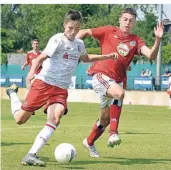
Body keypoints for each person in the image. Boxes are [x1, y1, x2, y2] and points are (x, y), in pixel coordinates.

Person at [6, 10, 117, 167]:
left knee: (56, 118)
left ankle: (31, 154)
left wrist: (106, 56)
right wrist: (31, 73)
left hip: (60, 89)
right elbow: (40, 58)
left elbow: (85, 58)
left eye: (77, 28)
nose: (73, 32)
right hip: (44, 84)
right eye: (70, 27)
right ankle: (12, 94)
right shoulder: (57, 40)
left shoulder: (79, 44)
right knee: (20, 119)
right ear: (65, 25)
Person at [76, 7, 164, 158]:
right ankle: (113, 134)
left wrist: (157, 40)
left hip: (117, 80)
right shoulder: (109, 31)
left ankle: (89, 142)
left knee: (104, 120)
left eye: (131, 20)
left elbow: (150, 55)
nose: (127, 23)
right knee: (119, 93)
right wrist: (73, 46)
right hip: (101, 75)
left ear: (134, 23)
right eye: (125, 19)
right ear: (120, 20)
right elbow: (84, 32)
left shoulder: (136, 40)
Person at [21, 39, 42, 115]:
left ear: (38, 45)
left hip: (38, 74)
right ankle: (30, 108)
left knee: (34, 91)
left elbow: (44, 63)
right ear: (32, 45)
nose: (36, 45)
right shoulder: (29, 53)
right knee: (29, 91)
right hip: (31, 73)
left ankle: (31, 107)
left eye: (37, 43)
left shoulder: (41, 54)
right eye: (34, 43)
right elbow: (27, 61)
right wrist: (23, 65)